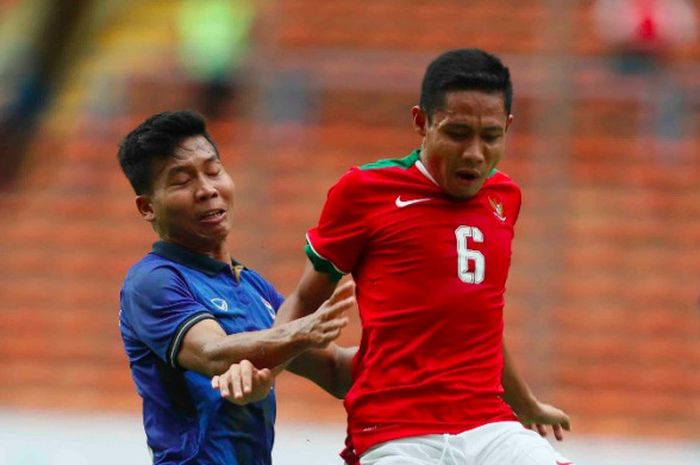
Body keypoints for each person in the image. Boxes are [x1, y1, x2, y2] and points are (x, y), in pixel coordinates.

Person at [272, 49, 576, 465]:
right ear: (422, 122)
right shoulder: (364, 192)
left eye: (490, 137)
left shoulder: (505, 198)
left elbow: (479, 319)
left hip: (488, 424)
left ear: (507, 128)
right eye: (457, 133)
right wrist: (268, 360)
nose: (474, 153)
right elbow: (304, 301)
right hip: (394, 431)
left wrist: (526, 404)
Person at [117, 110, 356, 465]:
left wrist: (430, 349)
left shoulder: (252, 286)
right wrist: (299, 332)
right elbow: (213, 352)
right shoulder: (153, 281)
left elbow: (336, 371)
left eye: (213, 171)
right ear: (147, 207)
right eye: (182, 181)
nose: (207, 189)